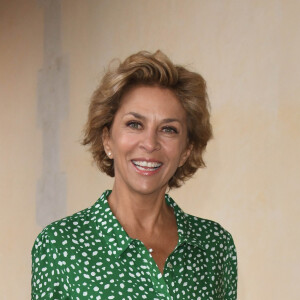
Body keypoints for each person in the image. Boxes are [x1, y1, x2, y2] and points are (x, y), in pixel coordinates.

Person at [31, 50, 237, 299]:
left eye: (169, 129)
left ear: (186, 150)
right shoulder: (59, 245)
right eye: (135, 124)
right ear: (107, 139)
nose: (150, 143)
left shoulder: (214, 245)